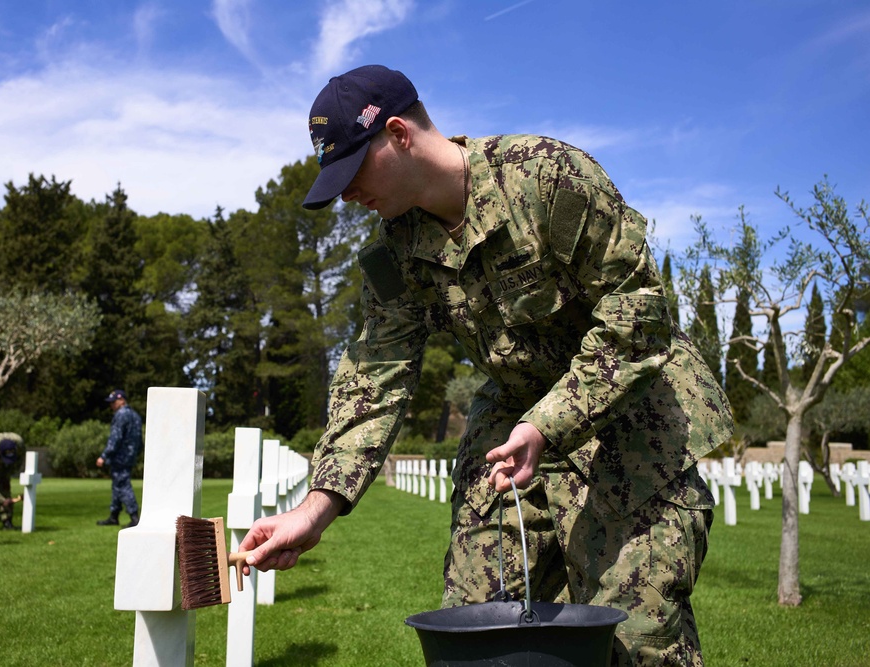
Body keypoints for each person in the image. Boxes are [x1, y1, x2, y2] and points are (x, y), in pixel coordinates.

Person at [240, 65, 733, 666]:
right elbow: (375, 375)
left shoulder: (545, 178)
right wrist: (314, 510)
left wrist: (546, 425)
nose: (347, 194)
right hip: (510, 430)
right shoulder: (394, 254)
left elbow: (640, 315)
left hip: (632, 423)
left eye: (352, 171)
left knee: (637, 640)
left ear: (397, 133)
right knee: (475, 632)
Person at [95, 389, 142, 527]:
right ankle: (114, 516)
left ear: (122, 400)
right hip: (130, 455)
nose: (111, 406)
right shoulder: (135, 415)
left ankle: (134, 517)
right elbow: (140, 439)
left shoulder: (121, 415)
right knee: (117, 484)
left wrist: (104, 456)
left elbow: (115, 438)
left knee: (122, 484)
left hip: (120, 455)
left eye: (113, 402)